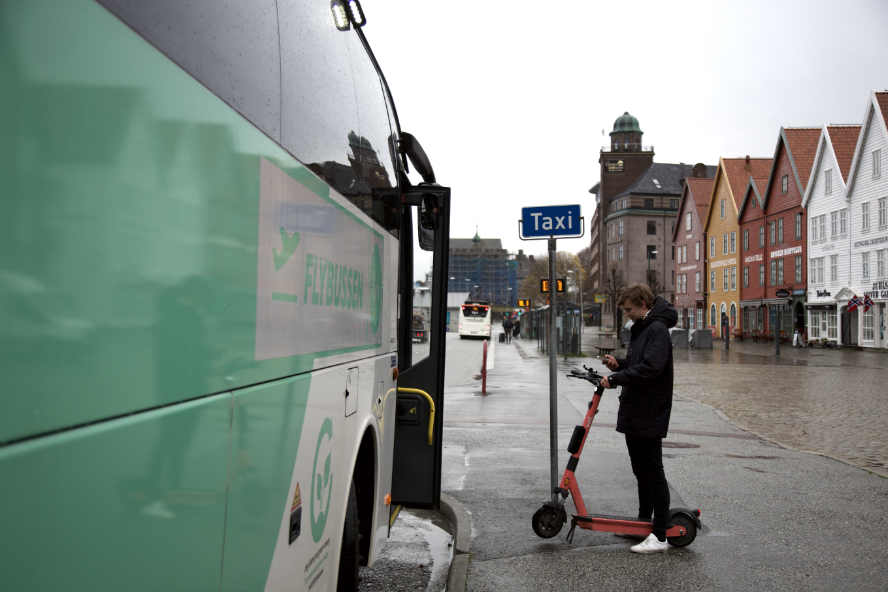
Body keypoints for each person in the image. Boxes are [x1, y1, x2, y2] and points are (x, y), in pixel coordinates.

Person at [600, 284, 677, 554]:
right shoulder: (643, 327)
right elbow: (640, 362)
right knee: (641, 472)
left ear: (643, 304)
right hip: (637, 409)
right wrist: (620, 363)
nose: (627, 314)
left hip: (649, 410)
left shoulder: (657, 329)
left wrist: (615, 378)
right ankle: (643, 524)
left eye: (629, 309)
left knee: (654, 474)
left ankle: (659, 536)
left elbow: (652, 367)